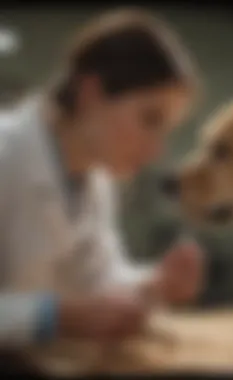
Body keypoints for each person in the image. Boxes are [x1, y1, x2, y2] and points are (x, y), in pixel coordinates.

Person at [0, 8, 203, 359]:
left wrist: (155, 285)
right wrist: (54, 317)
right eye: (149, 119)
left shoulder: (96, 178)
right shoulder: (7, 153)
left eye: (165, 129)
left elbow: (97, 278)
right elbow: (68, 311)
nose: (155, 150)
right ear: (91, 93)